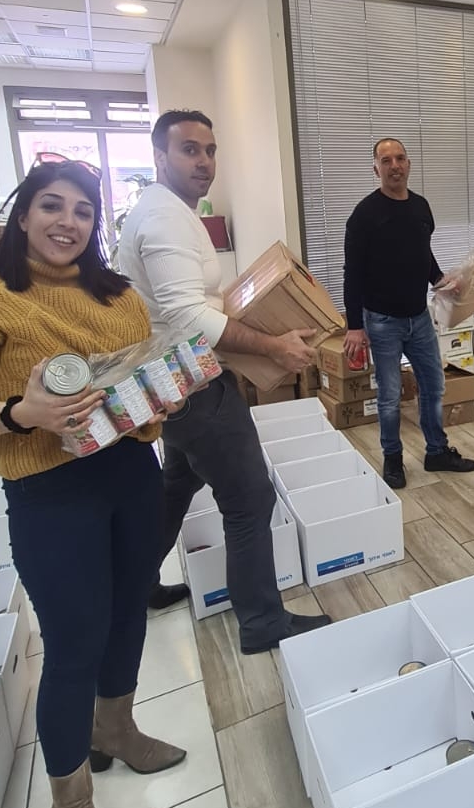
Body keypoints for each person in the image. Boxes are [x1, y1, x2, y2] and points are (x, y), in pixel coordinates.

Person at [0, 161, 185, 808]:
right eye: (51, 206)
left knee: (129, 612)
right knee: (74, 644)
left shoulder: (119, 296)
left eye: (82, 210)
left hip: (130, 475)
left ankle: (117, 729)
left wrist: (160, 396)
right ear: (23, 213)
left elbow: (135, 382)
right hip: (48, 491)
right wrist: (21, 413)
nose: (67, 222)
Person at [118, 110, 330, 653]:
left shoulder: (170, 211)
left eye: (210, 150)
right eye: (189, 150)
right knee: (249, 500)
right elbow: (187, 315)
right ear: (159, 156)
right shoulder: (164, 217)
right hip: (192, 386)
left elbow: (189, 302)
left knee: (176, 485)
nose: (204, 162)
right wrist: (273, 346)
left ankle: (135, 585)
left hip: (174, 384)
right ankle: (261, 623)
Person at [342, 138, 474, 490]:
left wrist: (439, 280)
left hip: (419, 318)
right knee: (389, 398)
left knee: (434, 386)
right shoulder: (364, 215)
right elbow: (352, 274)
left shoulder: (420, 206)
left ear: (409, 164)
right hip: (381, 321)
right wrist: (354, 326)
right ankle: (392, 458)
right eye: (386, 160)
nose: (394, 166)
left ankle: (437, 452)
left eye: (400, 158)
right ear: (375, 168)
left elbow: (422, 252)